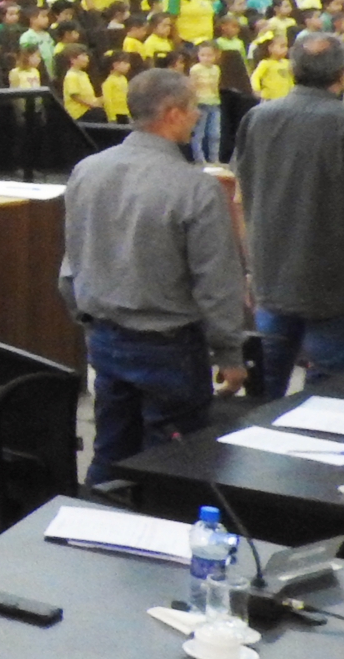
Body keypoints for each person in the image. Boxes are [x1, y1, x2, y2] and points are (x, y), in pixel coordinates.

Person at [60, 65, 247, 484]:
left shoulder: (87, 169)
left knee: (111, 451)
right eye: (194, 107)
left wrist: (88, 316)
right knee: (173, 465)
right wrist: (230, 353)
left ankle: (97, 520)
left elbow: (72, 260)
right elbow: (216, 281)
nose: (198, 115)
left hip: (104, 337)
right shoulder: (195, 187)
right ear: (172, 114)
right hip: (170, 346)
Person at [232, 30, 344, 397]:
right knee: (327, 396)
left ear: (292, 70)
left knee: (264, 390)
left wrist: (250, 268)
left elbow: (240, 201)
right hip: (335, 286)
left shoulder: (256, 118)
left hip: (271, 278)